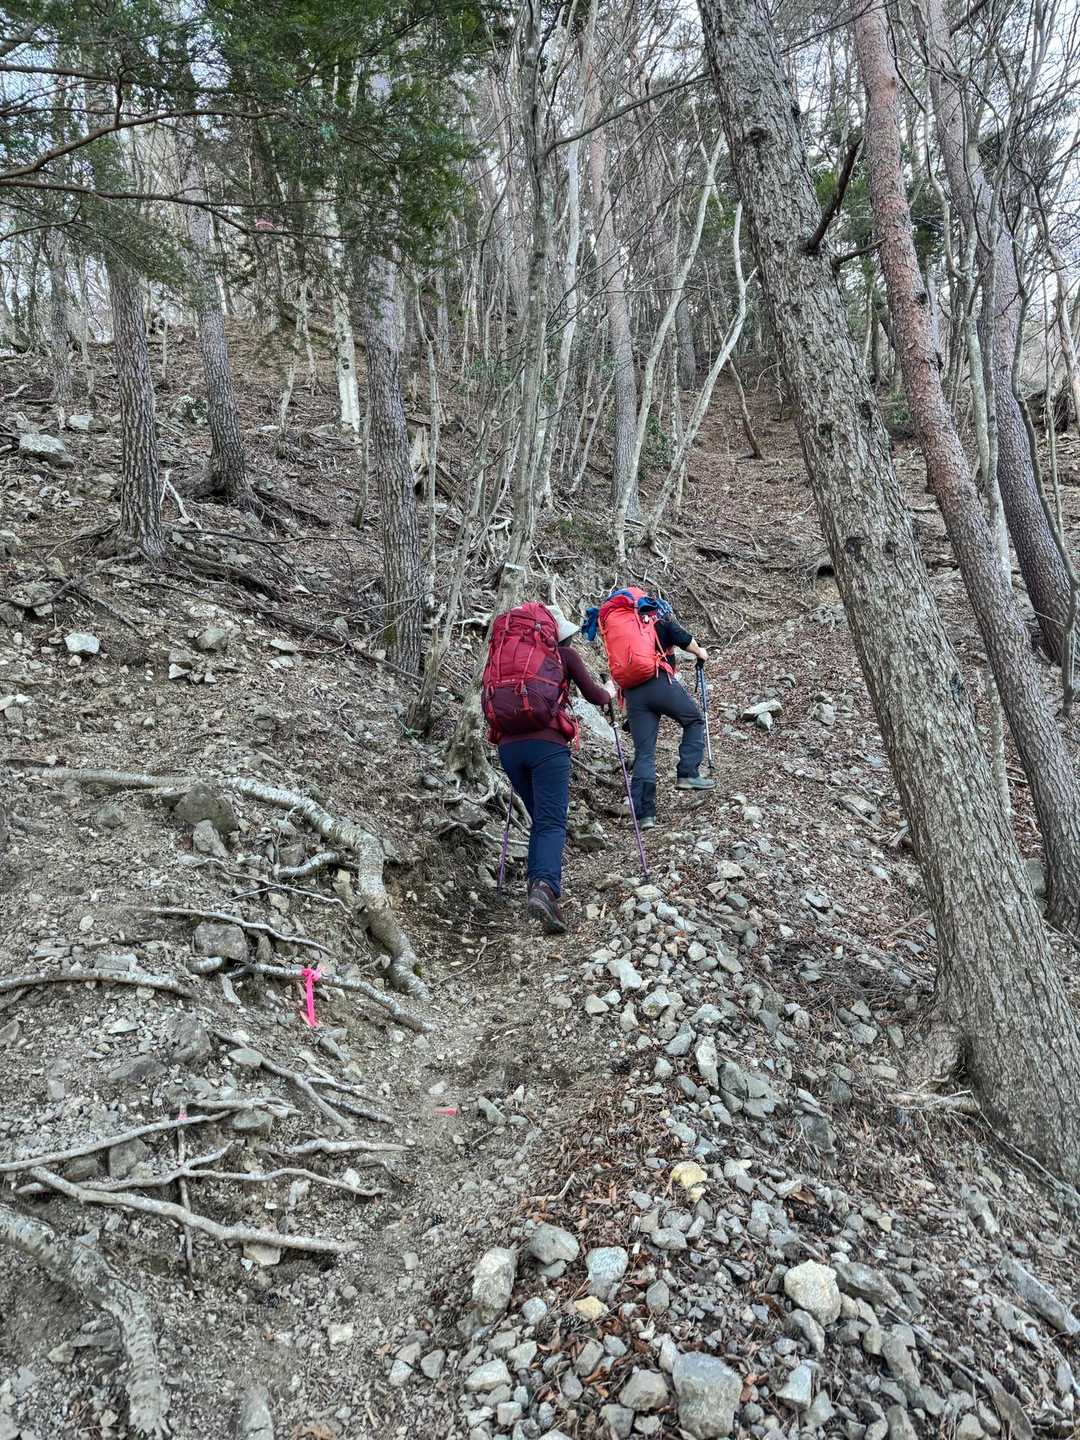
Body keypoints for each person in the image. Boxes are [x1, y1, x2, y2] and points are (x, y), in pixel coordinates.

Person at [488, 602, 614, 933]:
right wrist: (611, 691)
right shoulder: (564, 655)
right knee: (551, 822)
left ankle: (537, 885)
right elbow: (595, 696)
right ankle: (544, 889)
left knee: (540, 819)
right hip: (547, 746)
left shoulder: (504, 656)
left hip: (509, 748)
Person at [606, 595, 712, 828]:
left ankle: (645, 815)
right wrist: (701, 653)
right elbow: (685, 640)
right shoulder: (661, 623)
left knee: (644, 753)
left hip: (633, 694)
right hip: (658, 682)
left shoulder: (628, 634)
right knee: (693, 720)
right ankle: (688, 773)